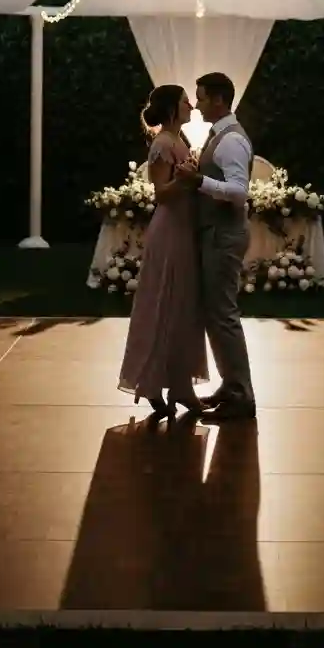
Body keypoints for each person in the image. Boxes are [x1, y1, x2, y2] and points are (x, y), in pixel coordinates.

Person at [118, 84, 207, 418]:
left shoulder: (177, 141)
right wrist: (186, 180)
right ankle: (156, 382)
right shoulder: (163, 144)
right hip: (170, 231)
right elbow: (162, 194)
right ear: (172, 107)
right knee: (166, 302)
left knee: (182, 305)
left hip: (183, 228)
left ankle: (178, 383)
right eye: (186, 101)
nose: (191, 106)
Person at [176, 71, 256, 421]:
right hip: (215, 234)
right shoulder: (218, 136)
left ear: (220, 100)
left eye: (202, 97)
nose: (196, 105)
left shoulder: (231, 141)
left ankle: (241, 394)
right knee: (216, 314)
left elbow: (239, 192)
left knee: (223, 315)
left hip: (224, 236)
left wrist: (199, 181)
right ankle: (230, 384)